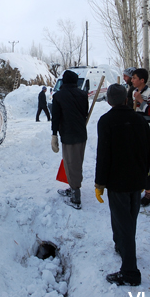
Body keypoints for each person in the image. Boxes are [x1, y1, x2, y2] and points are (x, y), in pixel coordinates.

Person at [94, 84, 150, 286]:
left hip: (117, 181)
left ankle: (130, 272)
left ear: (109, 101)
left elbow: (103, 154)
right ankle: (122, 246)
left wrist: (99, 182)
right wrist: (146, 176)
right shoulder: (139, 120)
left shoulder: (106, 121)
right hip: (136, 179)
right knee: (129, 219)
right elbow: (148, 150)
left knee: (123, 222)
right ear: (127, 100)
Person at [51, 69, 89, 210]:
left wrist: (54, 134)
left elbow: (56, 117)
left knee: (71, 163)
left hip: (68, 135)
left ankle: (76, 197)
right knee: (76, 162)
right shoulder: (83, 94)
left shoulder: (59, 96)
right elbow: (85, 112)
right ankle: (73, 187)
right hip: (81, 134)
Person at [131, 68, 150, 206]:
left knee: (148, 159)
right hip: (139, 130)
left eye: (134, 78)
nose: (132, 80)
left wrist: (141, 100)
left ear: (142, 80)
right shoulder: (135, 93)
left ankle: (149, 192)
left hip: (149, 130)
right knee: (141, 158)